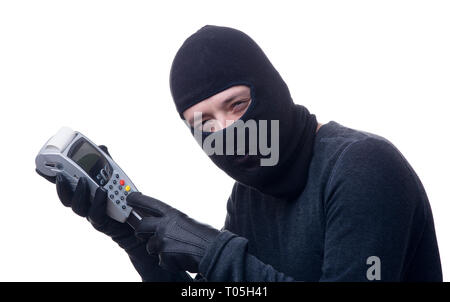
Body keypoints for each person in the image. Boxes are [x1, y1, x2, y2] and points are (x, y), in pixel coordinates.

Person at [37, 25, 442, 282]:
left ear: (272, 87)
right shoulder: (248, 197)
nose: (228, 133)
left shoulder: (363, 167)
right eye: (204, 123)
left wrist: (213, 252)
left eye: (236, 105)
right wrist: (137, 244)